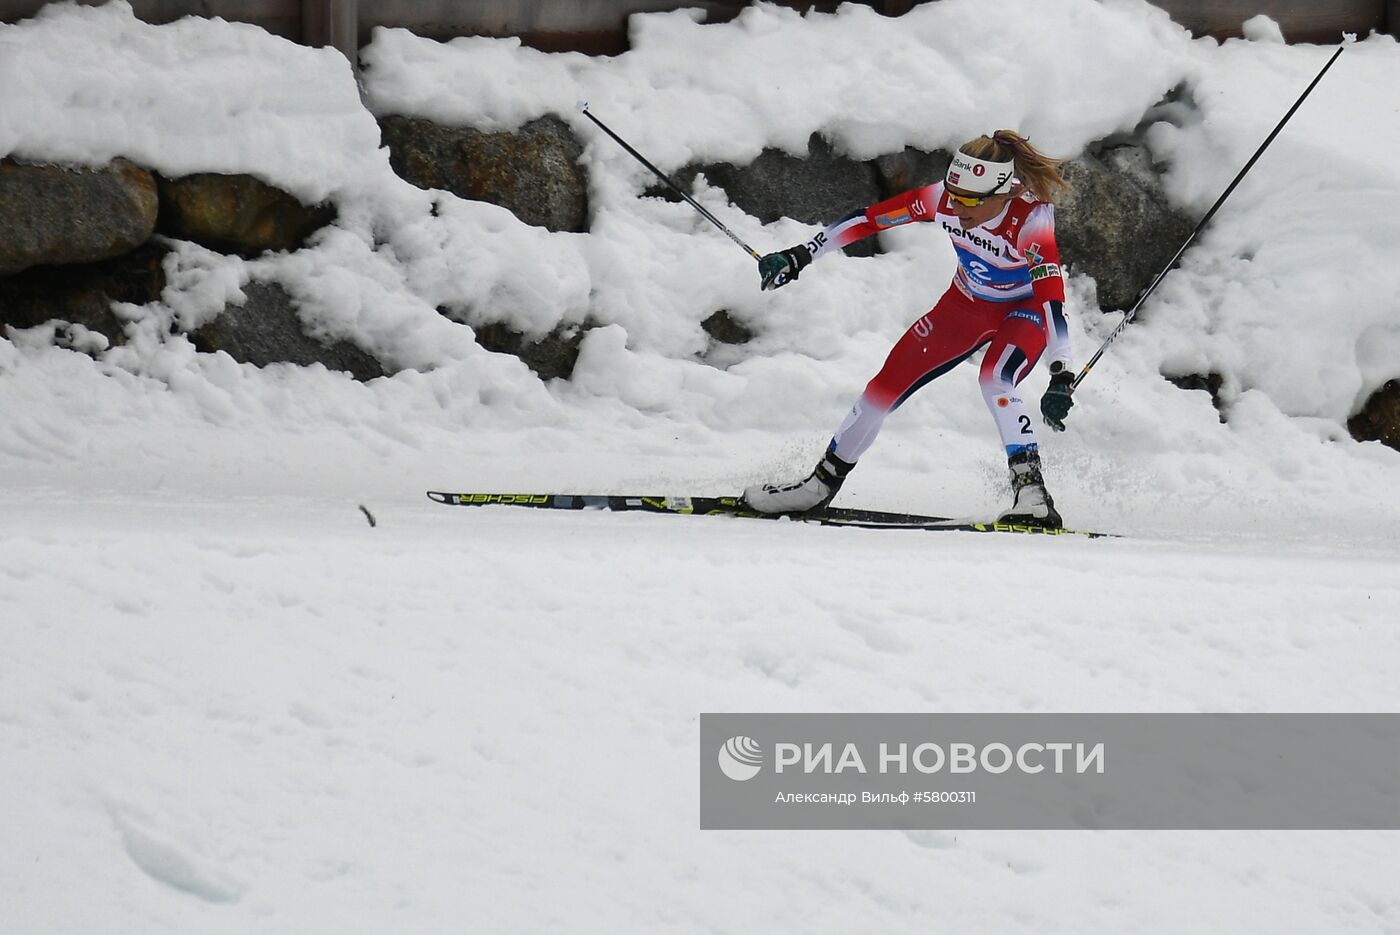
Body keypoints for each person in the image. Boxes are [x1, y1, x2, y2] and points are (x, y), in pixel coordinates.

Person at [742, 130, 1077, 527]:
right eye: (953, 193)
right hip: (966, 305)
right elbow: (869, 219)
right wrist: (800, 254)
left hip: (1025, 310)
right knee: (881, 388)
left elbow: (1051, 296)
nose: (956, 206)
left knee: (996, 379)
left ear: (1002, 194)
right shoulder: (944, 200)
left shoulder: (1030, 219)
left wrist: (1062, 372)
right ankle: (818, 485)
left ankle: (1033, 494)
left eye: (970, 199)